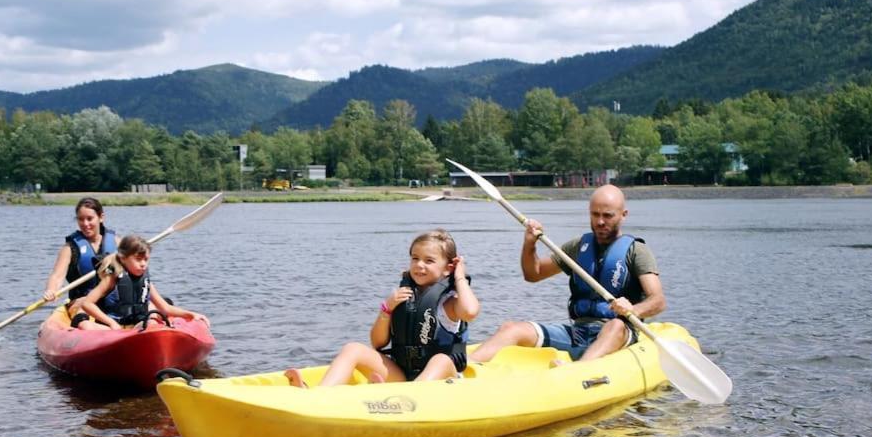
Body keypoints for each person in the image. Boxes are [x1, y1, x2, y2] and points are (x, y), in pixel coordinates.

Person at [470, 184, 665, 363]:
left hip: (618, 332)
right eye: (595, 214)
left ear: (623, 215)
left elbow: (658, 301)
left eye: (608, 215)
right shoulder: (578, 247)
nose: (600, 221)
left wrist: (633, 309)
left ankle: (579, 371)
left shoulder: (637, 251)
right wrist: (529, 244)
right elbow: (533, 274)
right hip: (578, 331)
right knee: (511, 329)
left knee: (614, 326)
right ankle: (462, 368)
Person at [285, 229, 480, 387]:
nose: (419, 265)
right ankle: (320, 395)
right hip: (403, 373)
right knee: (353, 348)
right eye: (415, 258)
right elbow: (378, 343)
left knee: (440, 360)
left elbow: (470, 312)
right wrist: (387, 308)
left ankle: (398, 396)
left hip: (444, 377)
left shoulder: (450, 301)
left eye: (429, 261)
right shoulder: (403, 296)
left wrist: (460, 276)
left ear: (448, 268)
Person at [72, 234, 209, 331]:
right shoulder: (112, 278)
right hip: (112, 327)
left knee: (153, 321)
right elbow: (87, 303)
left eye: (146, 259)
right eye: (138, 259)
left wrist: (191, 314)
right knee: (85, 326)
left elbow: (165, 308)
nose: (143, 264)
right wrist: (112, 324)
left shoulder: (145, 280)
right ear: (123, 258)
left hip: (137, 325)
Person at [43, 197, 117, 318]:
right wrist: (51, 290)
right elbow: (57, 276)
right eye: (81, 219)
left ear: (101, 217)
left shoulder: (116, 242)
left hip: (112, 300)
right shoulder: (70, 248)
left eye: (89, 219)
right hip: (82, 301)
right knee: (84, 312)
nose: (85, 224)